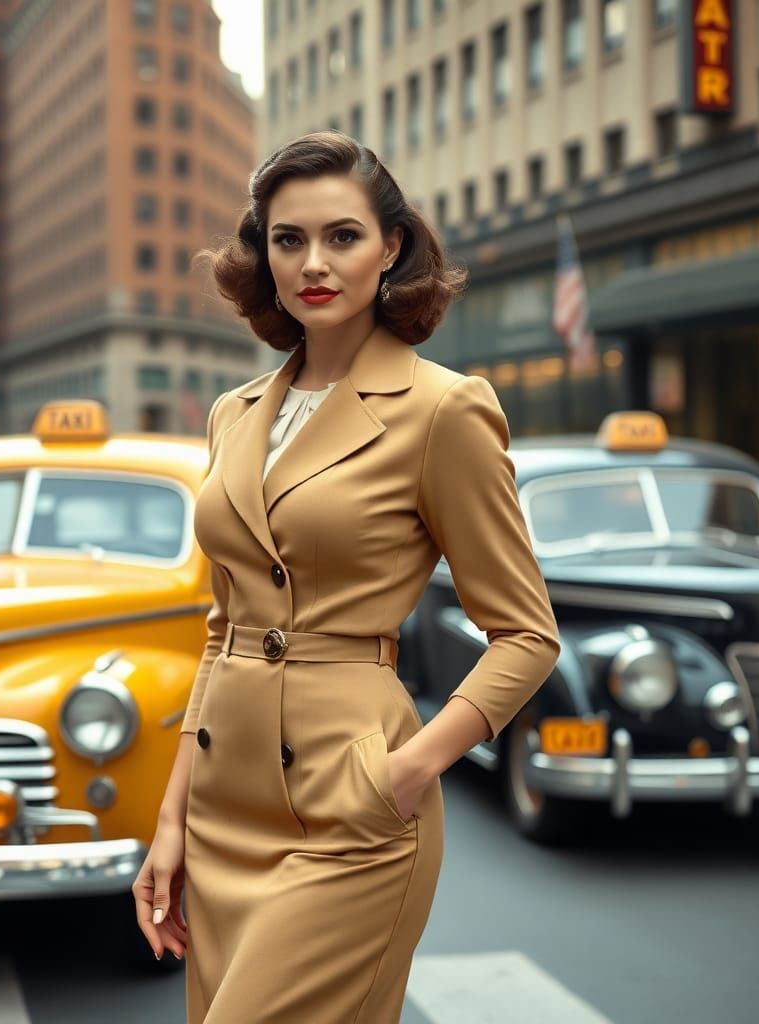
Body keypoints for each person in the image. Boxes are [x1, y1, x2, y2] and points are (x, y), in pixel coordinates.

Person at [132, 131, 561, 1023]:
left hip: (350, 806)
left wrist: (409, 771)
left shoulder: (444, 409)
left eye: (343, 236)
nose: (314, 264)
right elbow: (222, 632)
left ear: (391, 247)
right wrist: (171, 820)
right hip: (220, 806)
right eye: (288, 240)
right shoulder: (233, 414)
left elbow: (526, 635)